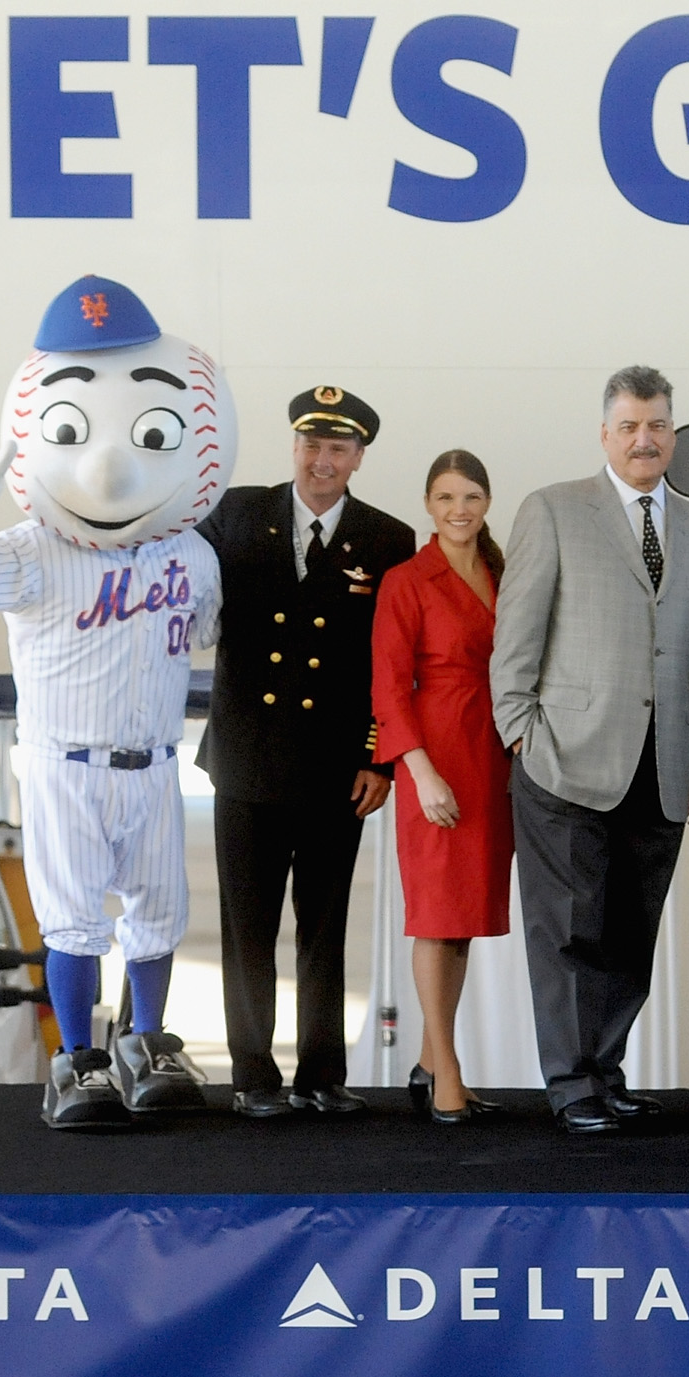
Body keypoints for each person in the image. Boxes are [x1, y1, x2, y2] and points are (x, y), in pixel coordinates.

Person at [0, 275, 224, 1131]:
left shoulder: (191, 556)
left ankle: (147, 1040)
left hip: (155, 760)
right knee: (72, 920)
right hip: (65, 761)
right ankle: (79, 1059)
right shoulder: (32, 549)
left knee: (158, 912)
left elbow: (207, 630)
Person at [488, 366, 689, 1136]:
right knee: (567, 931)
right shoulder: (554, 510)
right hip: (564, 760)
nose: (644, 439)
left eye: (656, 425)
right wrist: (520, 730)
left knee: (630, 933)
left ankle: (606, 1070)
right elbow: (515, 636)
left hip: (662, 768)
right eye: (629, 426)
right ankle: (570, 1083)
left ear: (673, 434)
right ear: (605, 434)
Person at [194, 387, 416, 1119]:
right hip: (245, 760)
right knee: (247, 931)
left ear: (358, 458)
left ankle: (321, 1074)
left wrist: (379, 757)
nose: (322, 461)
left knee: (323, 929)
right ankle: (253, 1076)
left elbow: (391, 662)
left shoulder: (387, 539)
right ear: (294, 447)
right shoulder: (233, 513)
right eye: (312, 445)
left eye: (338, 449)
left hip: (333, 766)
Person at [371, 449, 517, 1125]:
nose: (459, 510)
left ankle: (430, 1063)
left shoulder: (501, 571)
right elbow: (388, 687)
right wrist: (419, 771)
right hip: (435, 755)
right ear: (428, 505)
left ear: (487, 503)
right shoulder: (407, 579)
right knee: (435, 917)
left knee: (462, 919)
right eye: (446, 498)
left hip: (492, 752)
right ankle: (449, 1076)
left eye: (471, 497)